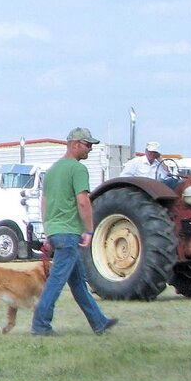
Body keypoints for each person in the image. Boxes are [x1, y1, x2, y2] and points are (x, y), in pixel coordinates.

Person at [30, 128, 119, 337]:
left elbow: (44, 203)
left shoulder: (52, 171)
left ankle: (99, 322)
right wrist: (89, 230)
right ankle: (40, 325)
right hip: (70, 233)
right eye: (88, 145)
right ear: (75, 144)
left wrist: (48, 231)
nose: (90, 149)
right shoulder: (77, 169)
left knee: (78, 282)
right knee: (56, 281)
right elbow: (82, 201)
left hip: (55, 231)